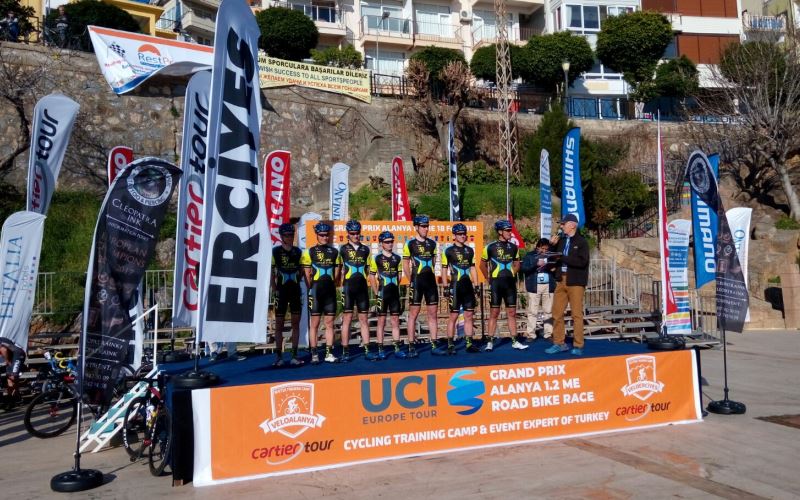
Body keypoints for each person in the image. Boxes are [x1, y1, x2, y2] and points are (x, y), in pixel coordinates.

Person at [546, 213, 590, 356]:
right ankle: (559, 343)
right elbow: (552, 257)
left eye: (563, 224)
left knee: (576, 314)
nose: (561, 226)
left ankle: (578, 345)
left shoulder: (582, 242)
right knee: (556, 312)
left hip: (575, 281)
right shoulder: (562, 241)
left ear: (572, 225)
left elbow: (582, 262)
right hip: (561, 280)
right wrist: (551, 246)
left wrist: (563, 257)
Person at [480, 220, 527, 351]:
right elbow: (482, 265)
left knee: (512, 312)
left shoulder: (514, 247)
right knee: (494, 313)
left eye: (510, 230)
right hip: (496, 283)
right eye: (507, 231)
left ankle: (515, 341)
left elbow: (517, 264)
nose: (510, 233)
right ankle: (490, 342)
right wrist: (488, 279)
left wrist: (512, 273)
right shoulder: (490, 247)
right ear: (500, 232)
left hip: (510, 284)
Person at [301, 222, 341, 364]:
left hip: (330, 291)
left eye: (326, 235)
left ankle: (329, 354)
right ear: (317, 235)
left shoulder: (334, 252)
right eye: (322, 235)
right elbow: (306, 273)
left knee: (329, 323)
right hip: (316, 291)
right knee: (315, 324)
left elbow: (337, 272)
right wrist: (310, 288)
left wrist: (333, 284)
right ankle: (314, 354)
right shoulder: (309, 251)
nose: (324, 237)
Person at [441, 223, 480, 354]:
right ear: (455, 236)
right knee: (454, 316)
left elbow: (473, 268)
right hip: (455, 286)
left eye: (464, 234)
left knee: (469, 315)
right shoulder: (448, 251)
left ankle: (469, 343)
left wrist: (476, 285)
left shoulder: (469, 250)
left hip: (467, 286)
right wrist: (445, 287)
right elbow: (444, 269)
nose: (462, 236)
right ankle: (450, 344)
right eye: (459, 234)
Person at [402, 215, 438, 357]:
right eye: (423, 226)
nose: (426, 229)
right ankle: (411, 345)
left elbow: (433, 262)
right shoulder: (410, 244)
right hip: (416, 281)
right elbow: (405, 264)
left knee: (433, 314)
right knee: (413, 315)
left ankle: (434, 344)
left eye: (427, 226)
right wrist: (411, 279)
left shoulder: (432, 243)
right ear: (416, 227)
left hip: (431, 282)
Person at [368, 231, 405, 359]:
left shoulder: (398, 258)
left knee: (395, 321)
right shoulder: (376, 258)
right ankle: (380, 349)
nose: (390, 244)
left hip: (394, 294)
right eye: (387, 242)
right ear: (381, 243)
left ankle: (397, 348)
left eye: (391, 241)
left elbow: (399, 276)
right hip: (382, 293)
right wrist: (376, 292)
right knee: (381, 321)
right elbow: (371, 276)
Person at [271, 223, 304, 367]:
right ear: (281, 236)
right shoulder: (275, 251)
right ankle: (279, 357)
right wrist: (274, 289)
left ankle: (294, 356)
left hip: (295, 291)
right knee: (279, 324)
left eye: (291, 235)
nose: (289, 237)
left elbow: (302, 270)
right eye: (286, 235)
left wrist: (298, 279)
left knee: (296, 323)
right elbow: (271, 272)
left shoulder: (298, 251)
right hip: (281, 291)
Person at [339, 220, 371, 363]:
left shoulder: (366, 249)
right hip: (348, 288)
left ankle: (367, 350)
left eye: (357, 233)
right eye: (352, 233)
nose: (355, 236)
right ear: (348, 234)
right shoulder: (342, 249)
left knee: (364, 319)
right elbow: (339, 269)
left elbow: (368, 270)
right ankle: (345, 351)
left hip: (362, 288)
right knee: (347, 319)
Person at [521, 238, 556, 340]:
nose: (544, 251)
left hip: (548, 285)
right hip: (534, 285)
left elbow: (556, 267)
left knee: (548, 311)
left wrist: (553, 268)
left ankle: (548, 333)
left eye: (546, 249)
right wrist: (535, 264)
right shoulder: (529, 255)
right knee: (533, 311)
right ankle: (531, 334)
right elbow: (524, 269)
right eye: (542, 248)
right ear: (537, 247)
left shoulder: (551, 256)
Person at [0, 337, 26, 410]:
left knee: (12, 377)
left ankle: (14, 399)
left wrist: (7, 361)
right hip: (13, 355)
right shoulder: (2, 339)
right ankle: (13, 398)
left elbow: (4, 350)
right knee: (9, 378)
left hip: (18, 354)